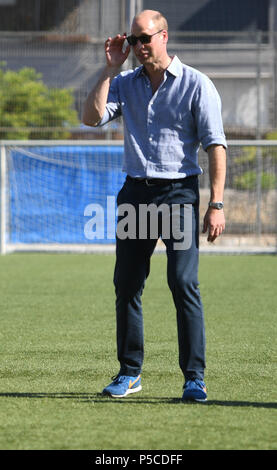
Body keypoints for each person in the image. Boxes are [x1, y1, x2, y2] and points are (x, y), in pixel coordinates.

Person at [82, 9, 227, 402]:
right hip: (136, 194)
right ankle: (130, 373)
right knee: (126, 284)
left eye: (145, 38)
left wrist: (216, 202)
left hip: (179, 193)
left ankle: (194, 378)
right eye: (133, 40)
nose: (139, 46)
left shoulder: (197, 84)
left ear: (164, 36)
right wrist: (109, 69)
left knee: (183, 283)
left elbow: (216, 145)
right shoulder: (125, 83)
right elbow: (91, 117)